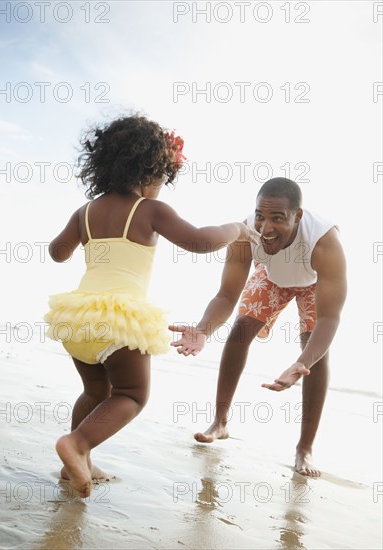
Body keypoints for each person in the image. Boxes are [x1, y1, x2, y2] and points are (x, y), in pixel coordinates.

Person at [44, 115, 259, 497]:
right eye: (162, 178)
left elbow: (57, 253)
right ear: (149, 171)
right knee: (131, 394)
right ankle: (76, 446)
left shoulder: (85, 211)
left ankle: (75, 464)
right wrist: (238, 229)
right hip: (119, 322)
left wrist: (77, 236)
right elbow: (199, 241)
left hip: (76, 320)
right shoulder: (149, 210)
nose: (161, 187)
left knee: (96, 393)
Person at [170, 177, 347, 477]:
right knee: (241, 327)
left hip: (312, 283)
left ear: (298, 216)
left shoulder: (324, 241)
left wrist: (301, 363)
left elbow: (330, 318)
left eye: (278, 218)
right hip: (273, 278)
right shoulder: (247, 234)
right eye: (261, 216)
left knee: (316, 354)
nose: (266, 228)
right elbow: (227, 295)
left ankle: (304, 449)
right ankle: (220, 422)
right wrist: (202, 330)